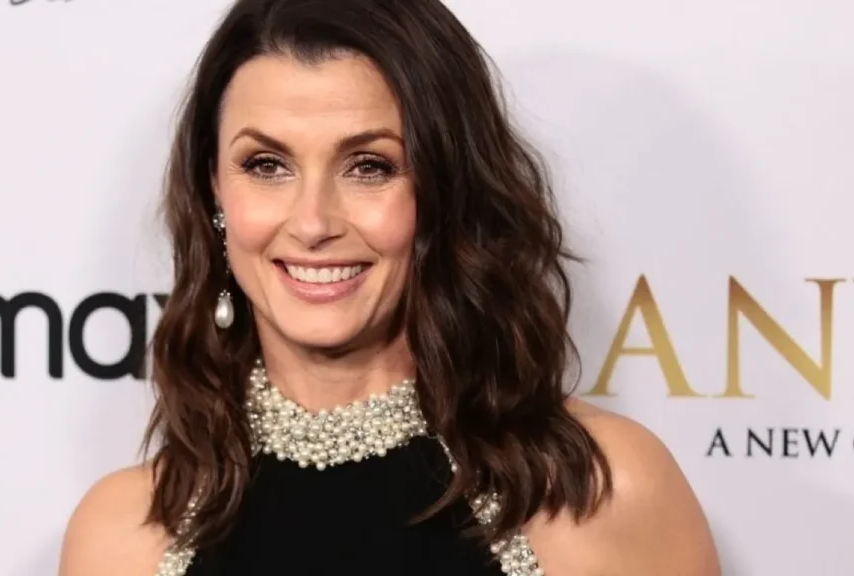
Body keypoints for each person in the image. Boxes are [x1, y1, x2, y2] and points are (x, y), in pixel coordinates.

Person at [58, 0, 720, 574]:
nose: (313, 223)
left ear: (446, 189)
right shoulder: (121, 537)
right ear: (213, 190)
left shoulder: (603, 493)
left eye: (370, 166)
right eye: (266, 164)